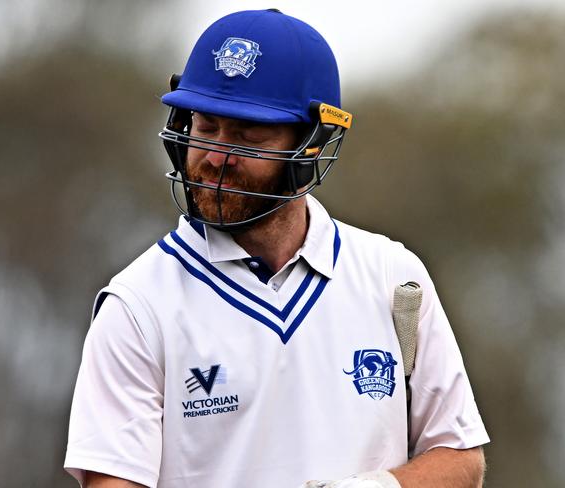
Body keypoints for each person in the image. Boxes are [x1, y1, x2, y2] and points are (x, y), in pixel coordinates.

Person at [64, 9, 489, 488]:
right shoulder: (139, 305)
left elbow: (460, 460)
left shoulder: (394, 277)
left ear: (312, 142)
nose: (217, 157)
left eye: (248, 135)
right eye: (207, 127)